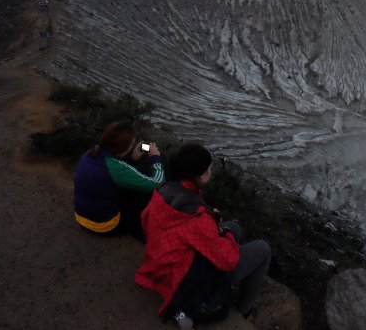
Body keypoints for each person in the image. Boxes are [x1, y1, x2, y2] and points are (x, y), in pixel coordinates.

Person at [135, 143, 271, 330]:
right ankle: (243, 311)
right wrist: (225, 234)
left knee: (234, 227)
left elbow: (146, 222)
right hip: (184, 279)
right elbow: (228, 260)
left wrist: (218, 225)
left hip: (161, 265)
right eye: (209, 169)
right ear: (200, 176)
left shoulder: (163, 190)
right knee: (262, 249)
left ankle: (219, 290)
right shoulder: (197, 216)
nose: (211, 171)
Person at [73, 120, 164, 238]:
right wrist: (156, 158)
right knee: (143, 195)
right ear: (124, 148)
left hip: (80, 217)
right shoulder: (117, 169)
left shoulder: (89, 154)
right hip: (105, 226)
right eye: (130, 144)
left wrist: (132, 159)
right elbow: (157, 183)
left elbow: (112, 171)